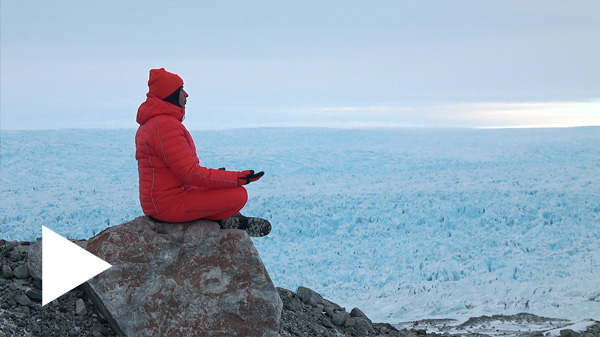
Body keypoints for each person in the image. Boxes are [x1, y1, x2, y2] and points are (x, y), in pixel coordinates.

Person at [135, 68, 270, 237]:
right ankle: (225, 219)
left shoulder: (158, 123)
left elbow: (183, 172)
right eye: (181, 90)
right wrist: (235, 178)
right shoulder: (164, 126)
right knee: (238, 195)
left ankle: (228, 218)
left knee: (220, 190)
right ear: (170, 94)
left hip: (167, 197)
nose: (186, 94)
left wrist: (220, 179)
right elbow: (191, 174)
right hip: (167, 205)